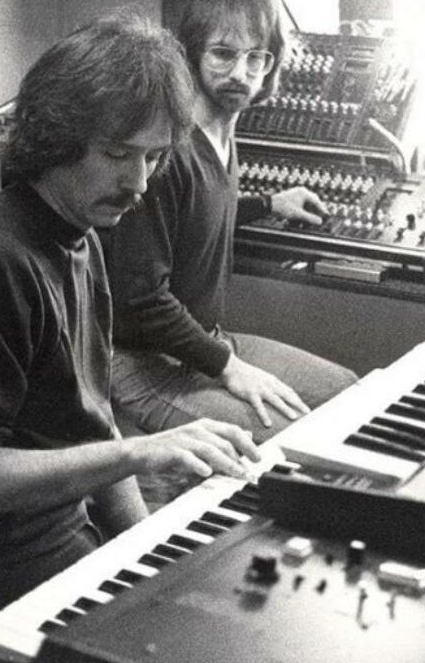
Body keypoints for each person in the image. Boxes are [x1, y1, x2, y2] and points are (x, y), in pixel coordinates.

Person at [0, 13, 259, 647]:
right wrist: (138, 453)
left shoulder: (80, 236)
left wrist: (148, 556)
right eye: (118, 154)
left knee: (223, 618)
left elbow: (95, 425)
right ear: (57, 138)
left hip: (64, 544)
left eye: (153, 158)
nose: (139, 183)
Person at [106, 0, 359, 458]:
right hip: (142, 364)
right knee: (299, 439)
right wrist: (229, 367)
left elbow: (195, 215)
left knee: (348, 392)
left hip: (203, 342)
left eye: (255, 57)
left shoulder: (221, 135)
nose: (241, 73)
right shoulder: (168, 153)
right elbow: (140, 299)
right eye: (223, 54)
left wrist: (268, 204)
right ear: (191, 56)